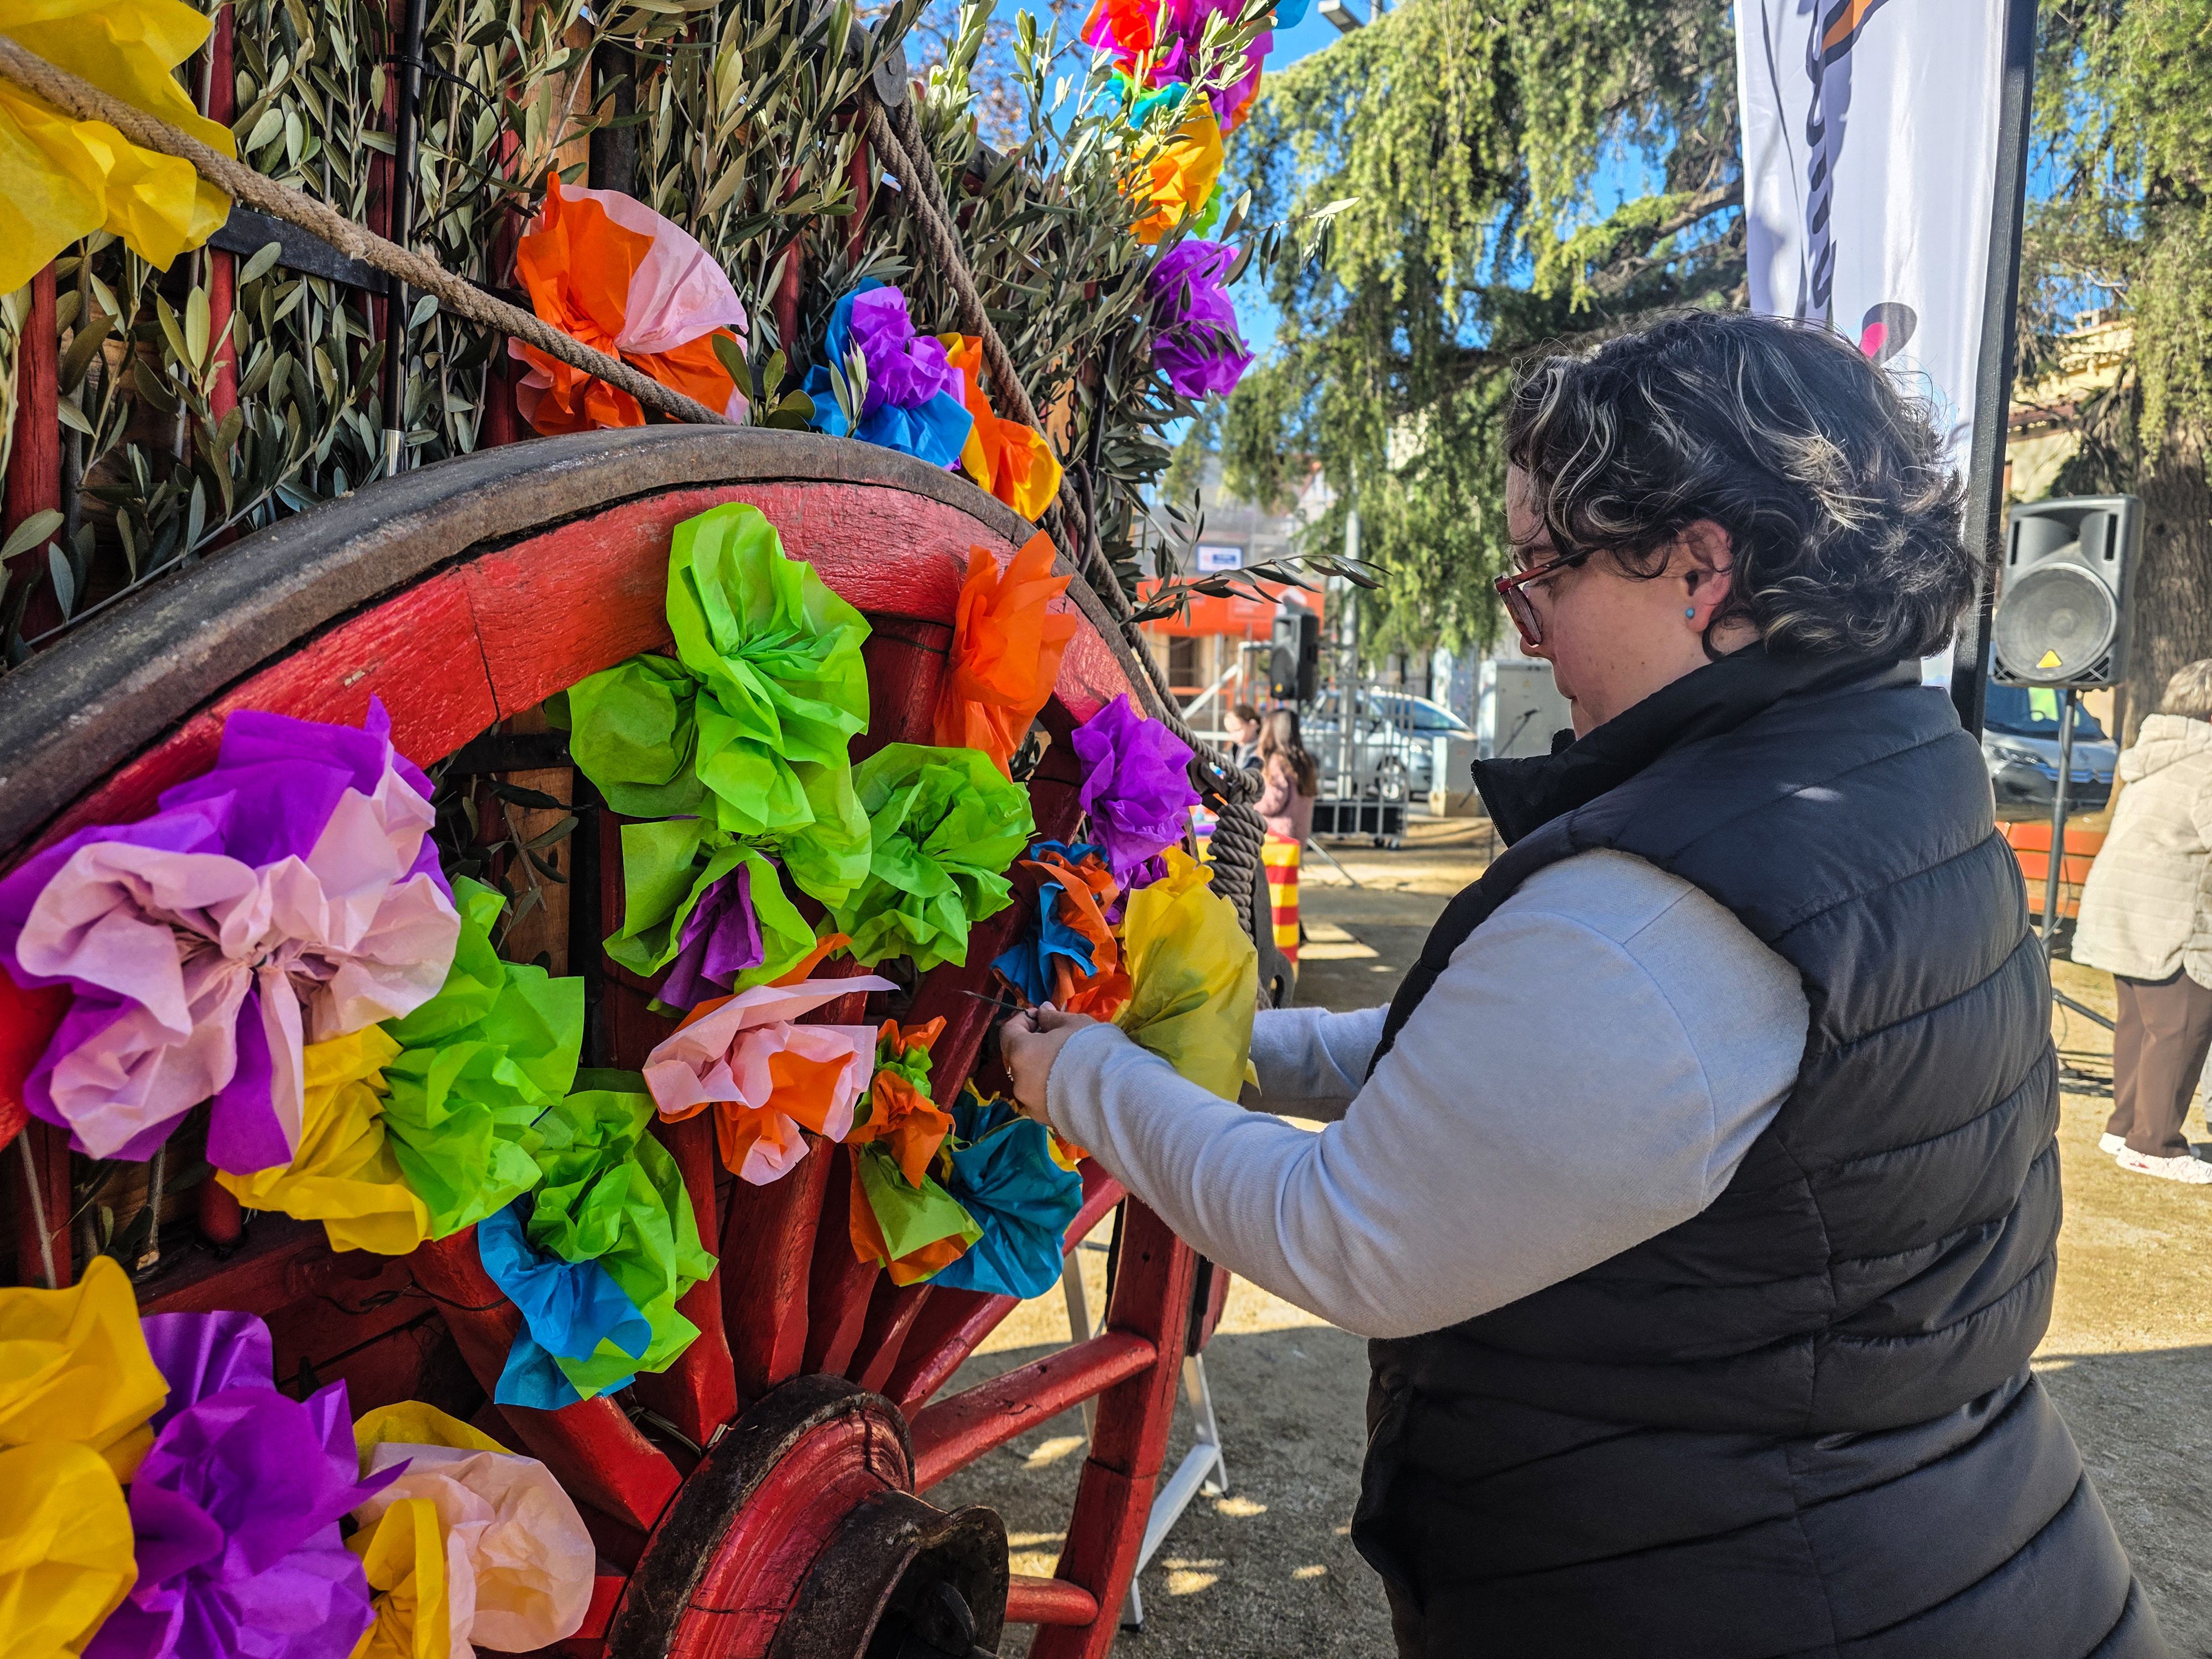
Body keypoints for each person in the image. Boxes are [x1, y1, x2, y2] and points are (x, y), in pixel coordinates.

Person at [1001, 311, 2162, 1656]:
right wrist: (1250, 1045)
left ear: (1700, 569)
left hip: (1756, 1587)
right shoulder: (1884, 769)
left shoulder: (1677, 900)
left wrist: (1067, 1069)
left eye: (1541, 569)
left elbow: (1345, 1231)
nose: (1530, 624)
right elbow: (1532, 1085)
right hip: (1922, 1537)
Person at [2073, 659, 2212, 1185]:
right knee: (2178, 1030)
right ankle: (2155, 1145)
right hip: (2172, 919)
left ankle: (2125, 1126)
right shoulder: (2209, 762)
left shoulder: (2160, 752)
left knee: (2141, 1025)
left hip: (2126, 911)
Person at [1252, 707, 1317, 843]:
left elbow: (1273, 802)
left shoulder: (1276, 761)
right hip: (1298, 836)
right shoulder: (1304, 760)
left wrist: (1249, 802)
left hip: (1276, 838)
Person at [1223, 703, 1264, 771]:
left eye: (1238, 730)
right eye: (1230, 732)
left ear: (1253, 725)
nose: (1233, 737)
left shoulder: (1262, 750)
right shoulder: (1234, 749)